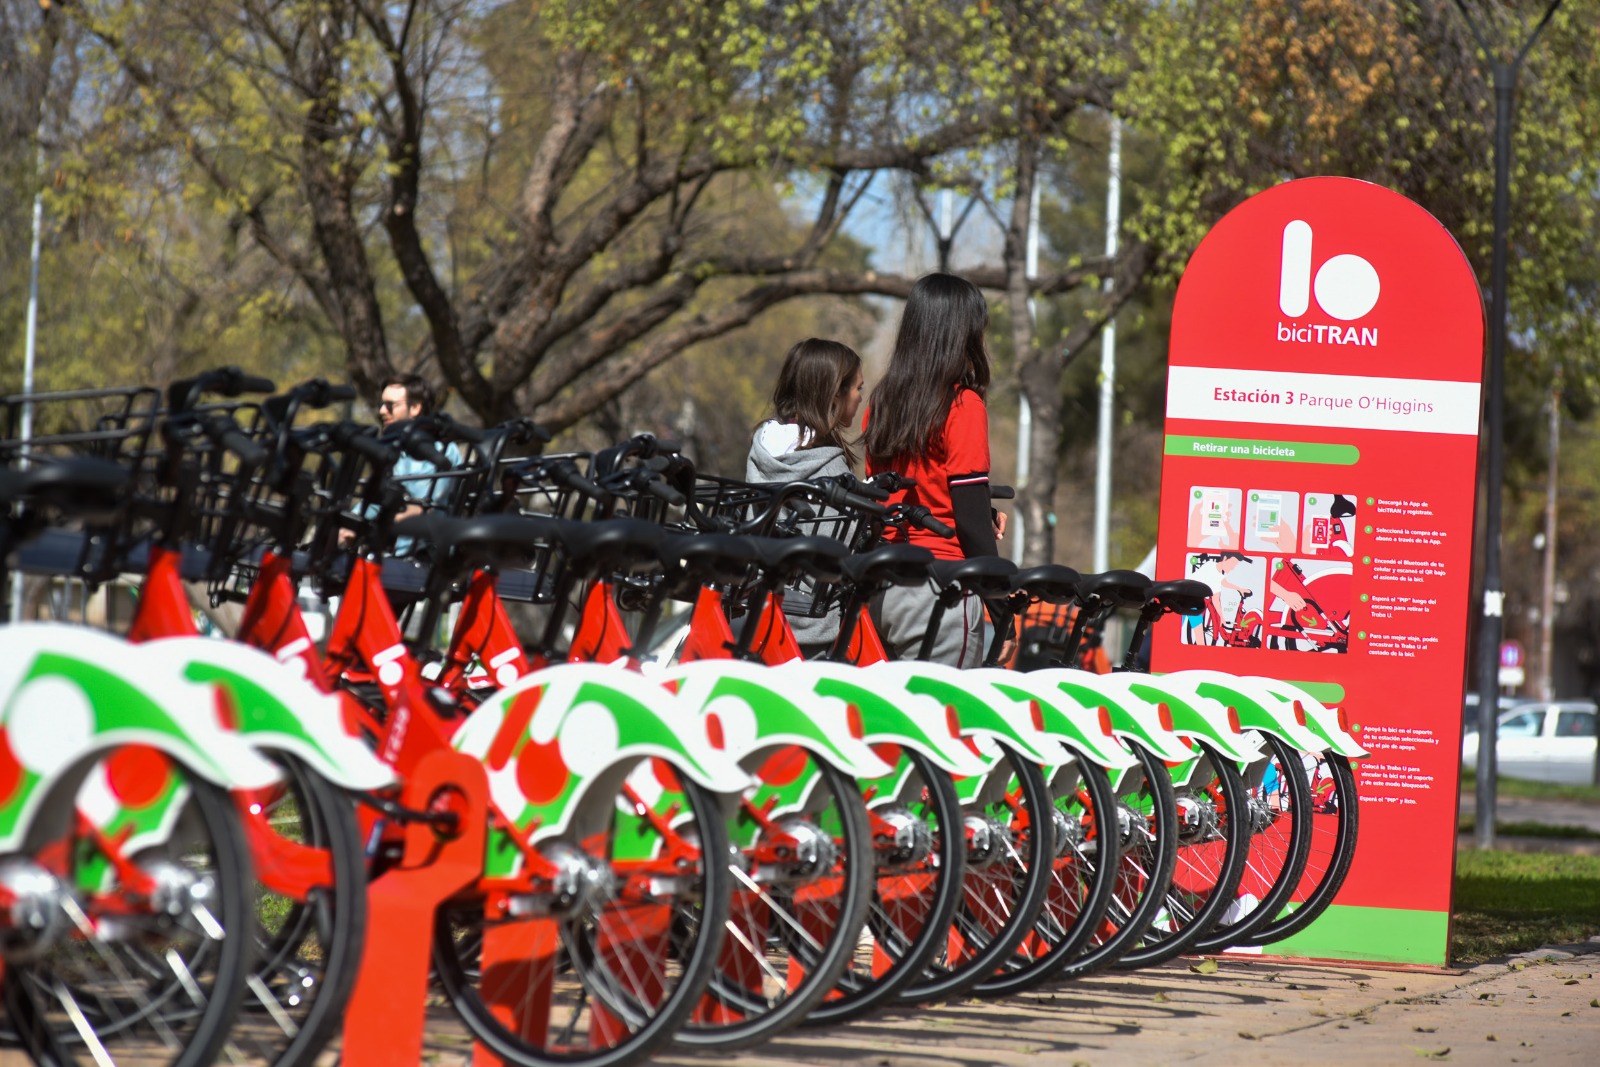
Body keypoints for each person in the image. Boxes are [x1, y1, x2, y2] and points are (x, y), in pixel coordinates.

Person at [862, 272, 1008, 667]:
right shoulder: (962, 406)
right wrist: (1000, 606)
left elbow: (889, 494)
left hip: (880, 585)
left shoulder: (882, 401)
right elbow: (969, 522)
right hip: (942, 589)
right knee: (944, 719)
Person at [745, 338, 865, 655]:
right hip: (810, 625)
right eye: (857, 389)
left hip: (757, 607)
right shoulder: (830, 466)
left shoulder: (763, 447)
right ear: (834, 395)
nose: (860, 398)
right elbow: (842, 550)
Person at [370, 373, 462, 556]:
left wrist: (370, 529)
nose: (382, 411)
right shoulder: (392, 449)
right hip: (384, 552)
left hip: (420, 555)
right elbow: (375, 504)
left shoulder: (441, 450)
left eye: (390, 405)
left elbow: (420, 508)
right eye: (381, 404)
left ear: (415, 408)